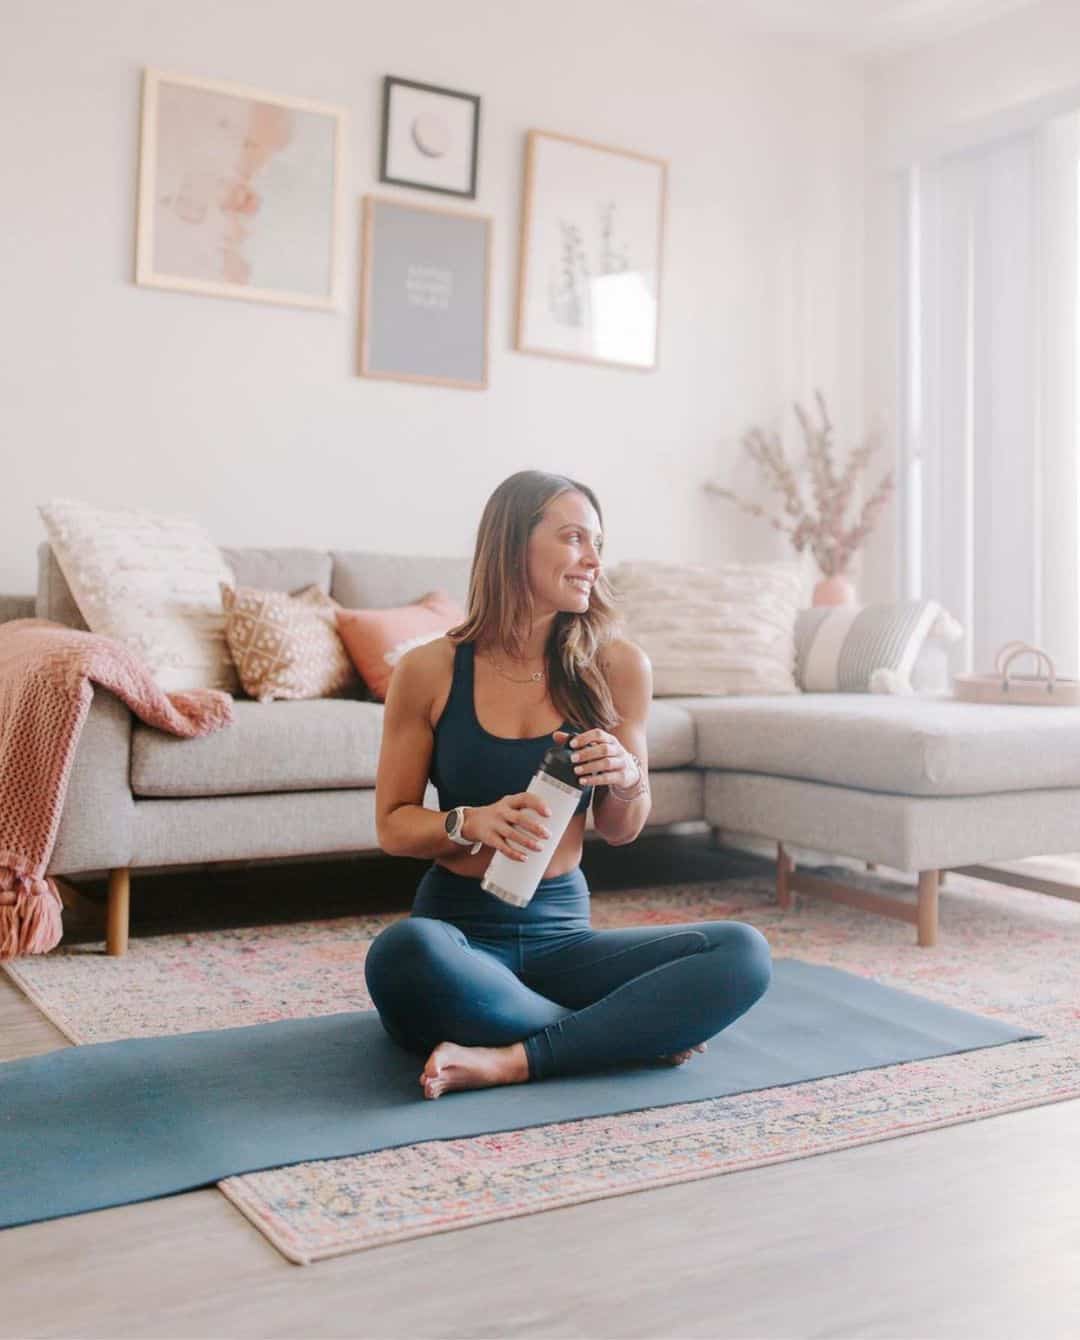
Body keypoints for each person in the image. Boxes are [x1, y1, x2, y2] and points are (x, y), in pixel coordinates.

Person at [365, 470, 772, 1099]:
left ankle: (511, 1059)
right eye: (574, 538)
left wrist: (627, 777)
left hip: (564, 939)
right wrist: (468, 822)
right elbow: (392, 824)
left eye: (598, 544)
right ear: (513, 546)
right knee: (401, 954)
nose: (593, 560)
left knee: (742, 952)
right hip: (459, 938)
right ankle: (615, 1037)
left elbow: (620, 828)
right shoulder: (430, 669)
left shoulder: (618, 666)